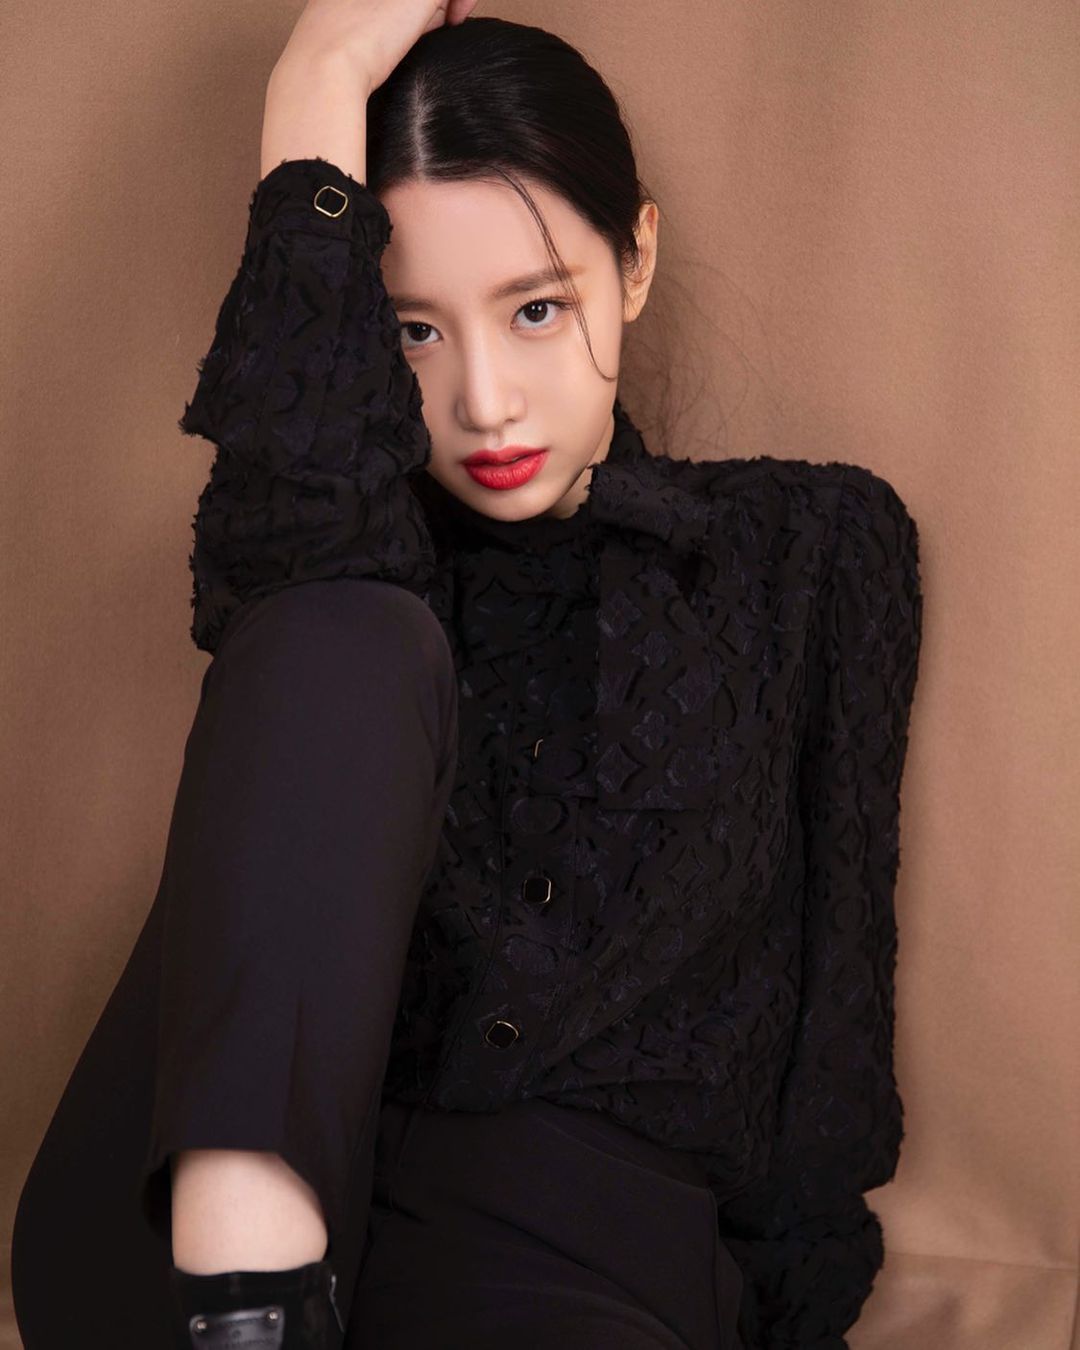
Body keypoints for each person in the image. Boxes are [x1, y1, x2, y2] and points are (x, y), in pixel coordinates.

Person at [10, 3, 925, 1348]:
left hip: (574, 1256)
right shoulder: (344, 549)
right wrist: (316, 79)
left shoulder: (815, 549)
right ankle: (247, 1290)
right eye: (413, 332)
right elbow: (304, 535)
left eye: (536, 309)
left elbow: (834, 1025)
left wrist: (789, 1306)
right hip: (180, 1223)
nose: (485, 402)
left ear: (636, 260)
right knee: (347, 627)